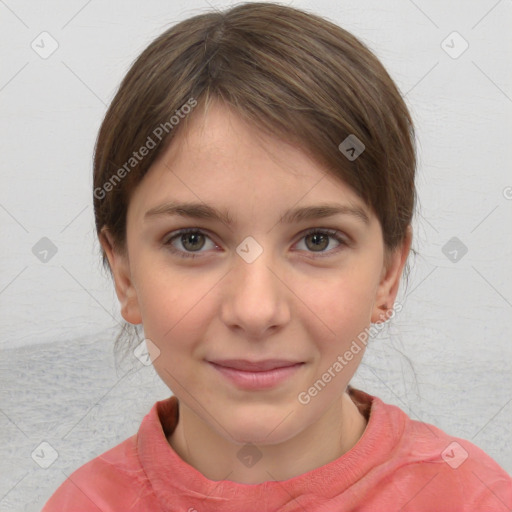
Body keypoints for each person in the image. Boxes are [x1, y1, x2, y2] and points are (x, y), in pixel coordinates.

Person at [42, 2, 512, 510]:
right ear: (124, 274)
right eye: (193, 240)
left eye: (318, 240)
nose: (256, 310)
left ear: (388, 274)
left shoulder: (475, 498)